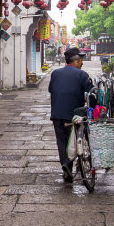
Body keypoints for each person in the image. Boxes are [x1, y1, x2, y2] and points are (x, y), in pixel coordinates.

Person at [48, 46, 92, 182]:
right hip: (73, 115)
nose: (82, 63)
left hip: (56, 114)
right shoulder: (82, 74)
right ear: (76, 61)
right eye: (81, 60)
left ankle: (66, 165)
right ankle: (69, 163)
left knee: (61, 141)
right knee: (72, 140)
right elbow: (90, 94)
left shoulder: (55, 73)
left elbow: (51, 90)